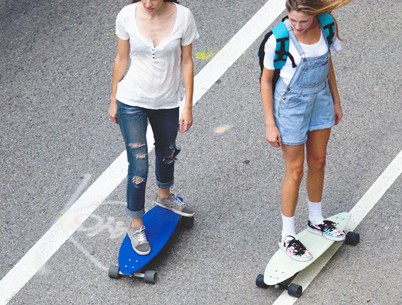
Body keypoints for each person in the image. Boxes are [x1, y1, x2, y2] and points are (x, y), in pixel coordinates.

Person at [260, 0, 352, 261]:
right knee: (296, 169)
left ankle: (316, 219)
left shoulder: (326, 27)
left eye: (304, 21)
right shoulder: (278, 39)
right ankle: (287, 235)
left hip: (320, 99)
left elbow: (326, 63)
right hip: (291, 106)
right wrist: (270, 123)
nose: (298, 26)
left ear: (315, 15)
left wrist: (335, 99)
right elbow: (266, 82)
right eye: (293, 20)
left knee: (319, 161)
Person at [108, 0, 199, 255]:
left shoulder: (184, 17)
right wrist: (114, 99)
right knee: (138, 165)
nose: (148, 3)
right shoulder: (126, 15)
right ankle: (136, 223)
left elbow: (187, 62)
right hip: (131, 101)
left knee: (167, 152)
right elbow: (121, 58)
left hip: (167, 102)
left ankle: (164, 195)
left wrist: (187, 105)